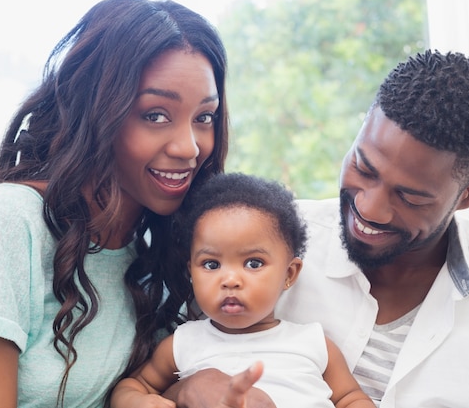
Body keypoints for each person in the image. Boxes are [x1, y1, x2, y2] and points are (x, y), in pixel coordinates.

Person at [171, 50, 469, 408]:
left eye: (410, 196)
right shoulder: (265, 240)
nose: (369, 208)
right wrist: (189, 386)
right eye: (364, 167)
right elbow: (171, 361)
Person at [0, 0, 232, 408]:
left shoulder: (166, 264)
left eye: (204, 117)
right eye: (155, 115)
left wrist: (190, 391)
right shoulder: (14, 220)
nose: (189, 147)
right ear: (98, 113)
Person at [110, 173, 376, 408]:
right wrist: (140, 401)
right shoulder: (183, 343)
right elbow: (132, 387)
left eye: (253, 263)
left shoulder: (313, 343)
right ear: (191, 271)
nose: (230, 280)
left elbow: (350, 397)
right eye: (211, 264)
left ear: (289, 274)